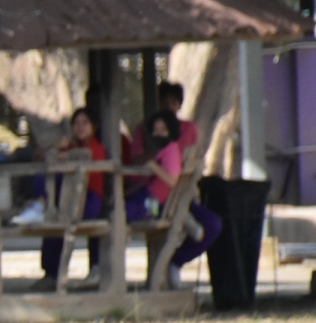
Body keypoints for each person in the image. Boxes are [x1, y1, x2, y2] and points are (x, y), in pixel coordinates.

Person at [129, 109, 221, 281]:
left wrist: (153, 167)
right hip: (164, 201)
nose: (158, 134)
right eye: (156, 130)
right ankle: (186, 219)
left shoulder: (170, 150)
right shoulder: (164, 151)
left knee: (127, 212)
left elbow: (172, 179)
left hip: (159, 203)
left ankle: (178, 255)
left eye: (163, 130)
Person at [35, 107, 109, 284]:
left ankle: (40, 204)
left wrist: (62, 155)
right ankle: (51, 273)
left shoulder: (96, 148)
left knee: (55, 180)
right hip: (66, 199)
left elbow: (82, 157)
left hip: (88, 201)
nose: (80, 127)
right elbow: (39, 155)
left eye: (85, 123)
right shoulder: (69, 145)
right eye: (76, 123)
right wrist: (56, 146)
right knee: (52, 220)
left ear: (94, 126)